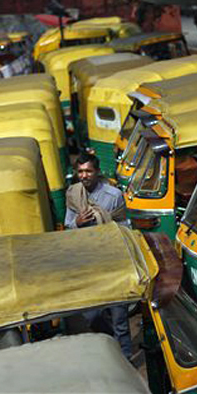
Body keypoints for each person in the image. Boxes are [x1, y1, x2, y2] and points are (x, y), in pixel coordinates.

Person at [64, 152, 132, 359]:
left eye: (88, 171)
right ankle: (111, 343)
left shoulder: (113, 196)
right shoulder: (74, 194)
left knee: (119, 316)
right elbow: (68, 225)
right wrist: (78, 223)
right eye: (80, 171)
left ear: (97, 172)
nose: (84, 175)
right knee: (92, 315)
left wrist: (106, 225)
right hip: (88, 262)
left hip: (112, 261)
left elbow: (125, 227)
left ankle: (126, 358)